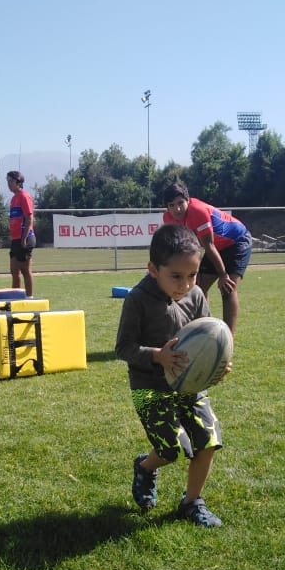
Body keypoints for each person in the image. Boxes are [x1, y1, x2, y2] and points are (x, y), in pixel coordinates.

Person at [115, 223, 229, 527]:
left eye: (192, 275)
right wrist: (158, 356)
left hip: (190, 386)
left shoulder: (196, 297)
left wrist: (217, 366)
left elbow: (209, 340)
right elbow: (123, 347)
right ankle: (145, 466)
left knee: (208, 439)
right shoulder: (138, 299)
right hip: (149, 387)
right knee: (173, 447)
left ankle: (192, 503)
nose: (186, 284)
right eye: (176, 276)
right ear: (153, 268)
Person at [161, 181, 252, 335]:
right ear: (167, 207)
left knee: (227, 289)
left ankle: (228, 339)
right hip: (215, 248)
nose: (177, 209)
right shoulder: (168, 218)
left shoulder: (198, 211)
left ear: (188, 200)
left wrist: (223, 275)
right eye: (171, 205)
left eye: (180, 203)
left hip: (237, 241)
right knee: (198, 288)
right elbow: (184, 247)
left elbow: (208, 245)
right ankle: (202, 332)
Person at [6, 171, 35, 296]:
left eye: (11, 181)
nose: (9, 184)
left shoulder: (24, 196)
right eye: (8, 181)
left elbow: (29, 218)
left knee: (25, 270)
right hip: (16, 239)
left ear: (19, 183)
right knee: (14, 270)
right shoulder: (13, 199)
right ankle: (16, 299)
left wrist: (24, 238)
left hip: (25, 238)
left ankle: (29, 298)